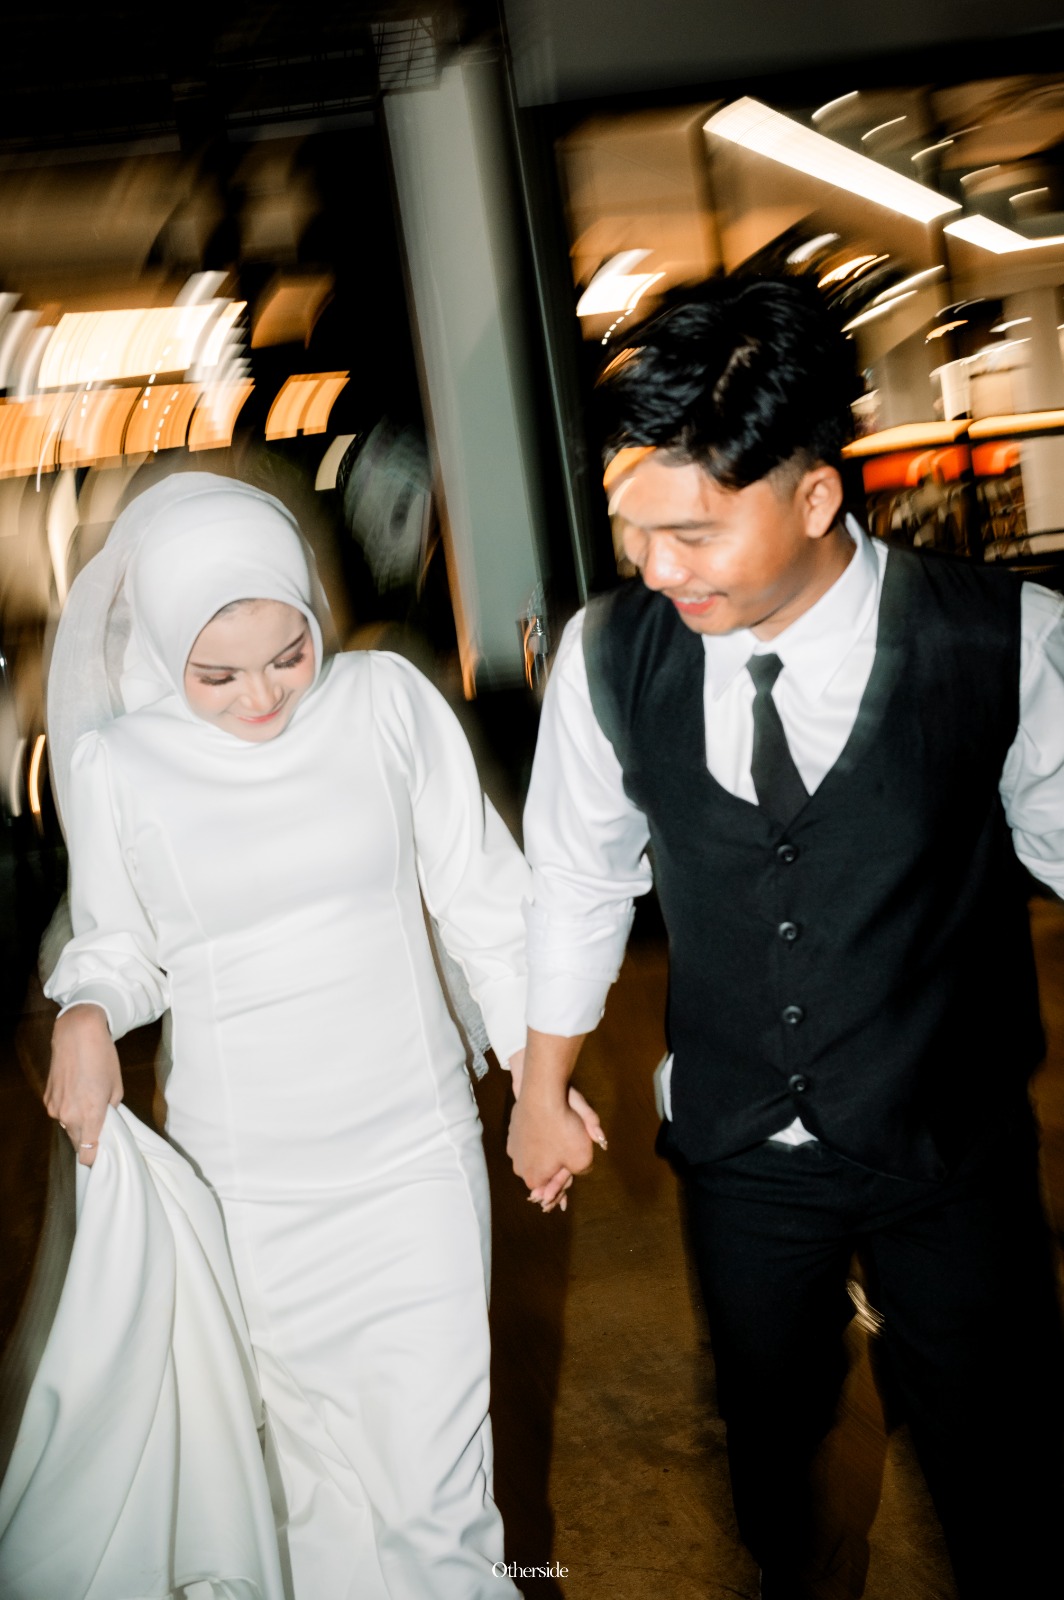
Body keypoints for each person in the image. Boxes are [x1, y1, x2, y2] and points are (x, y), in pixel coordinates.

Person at [508, 275, 1064, 1598]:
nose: (657, 568)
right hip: (740, 1149)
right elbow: (577, 880)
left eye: (692, 533)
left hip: (949, 1144)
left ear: (815, 498)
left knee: (1010, 1478)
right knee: (771, 1468)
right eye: (634, 529)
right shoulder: (606, 657)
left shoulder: (1003, 640)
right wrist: (539, 1085)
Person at [34, 471, 590, 1599]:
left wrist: (540, 1085)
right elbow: (118, 943)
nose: (262, 697)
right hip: (248, 1189)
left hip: (412, 1162)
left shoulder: (383, 702)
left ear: (311, 610)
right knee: (311, 1495)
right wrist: (86, 1010)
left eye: (289, 655)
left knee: (438, 1505)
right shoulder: (120, 764)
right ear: (165, 651)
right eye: (217, 675)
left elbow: (488, 906)